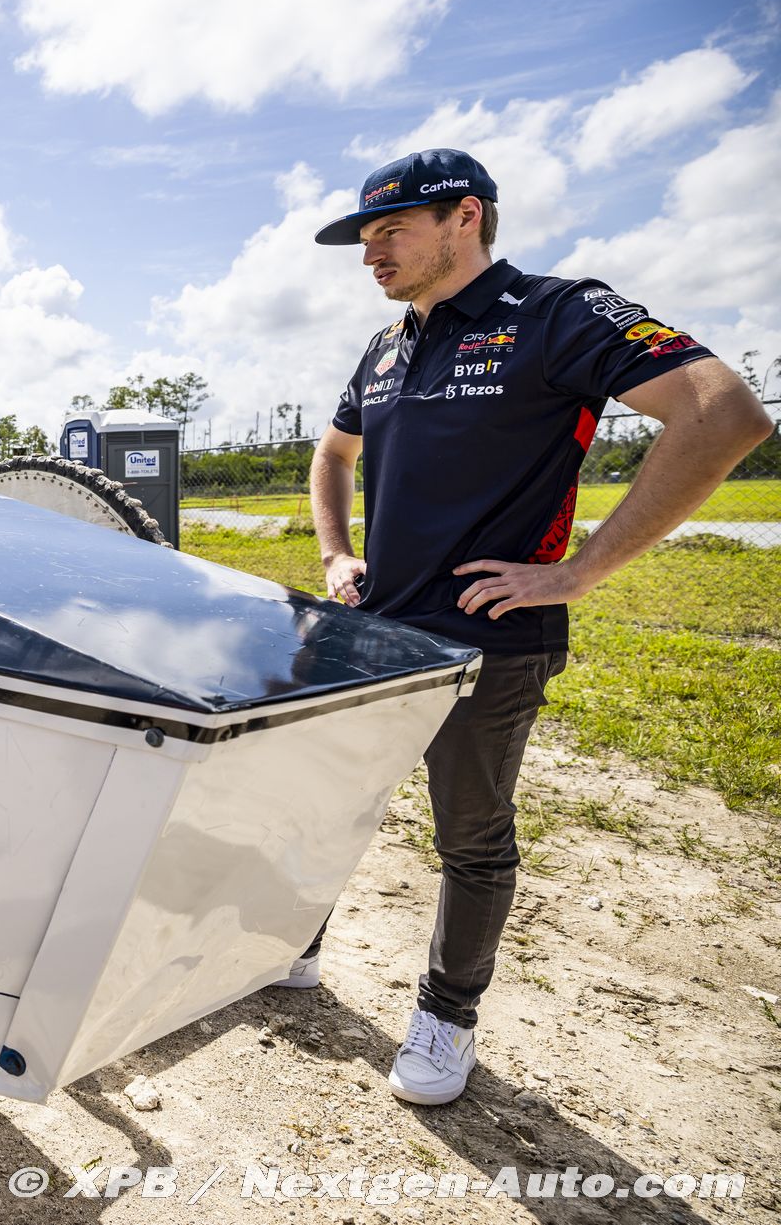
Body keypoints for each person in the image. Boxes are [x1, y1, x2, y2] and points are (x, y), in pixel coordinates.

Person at [295, 149, 771, 1106]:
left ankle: (447, 1016)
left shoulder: (556, 312)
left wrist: (578, 572)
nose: (371, 254)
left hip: (490, 639)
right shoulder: (387, 345)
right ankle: (288, 945)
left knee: (470, 838)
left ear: (465, 217)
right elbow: (333, 454)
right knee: (325, 802)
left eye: (392, 231)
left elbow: (723, 413)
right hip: (377, 633)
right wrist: (337, 553)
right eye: (364, 237)